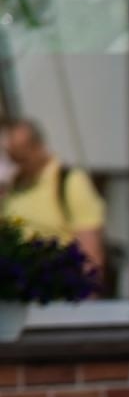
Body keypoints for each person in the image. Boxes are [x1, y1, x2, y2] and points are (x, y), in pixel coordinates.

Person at [1, 116, 106, 284]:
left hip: (55, 291)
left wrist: (85, 298)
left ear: (37, 148)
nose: (16, 166)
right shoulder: (13, 187)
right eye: (12, 159)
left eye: (21, 159)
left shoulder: (69, 182)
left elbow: (90, 254)